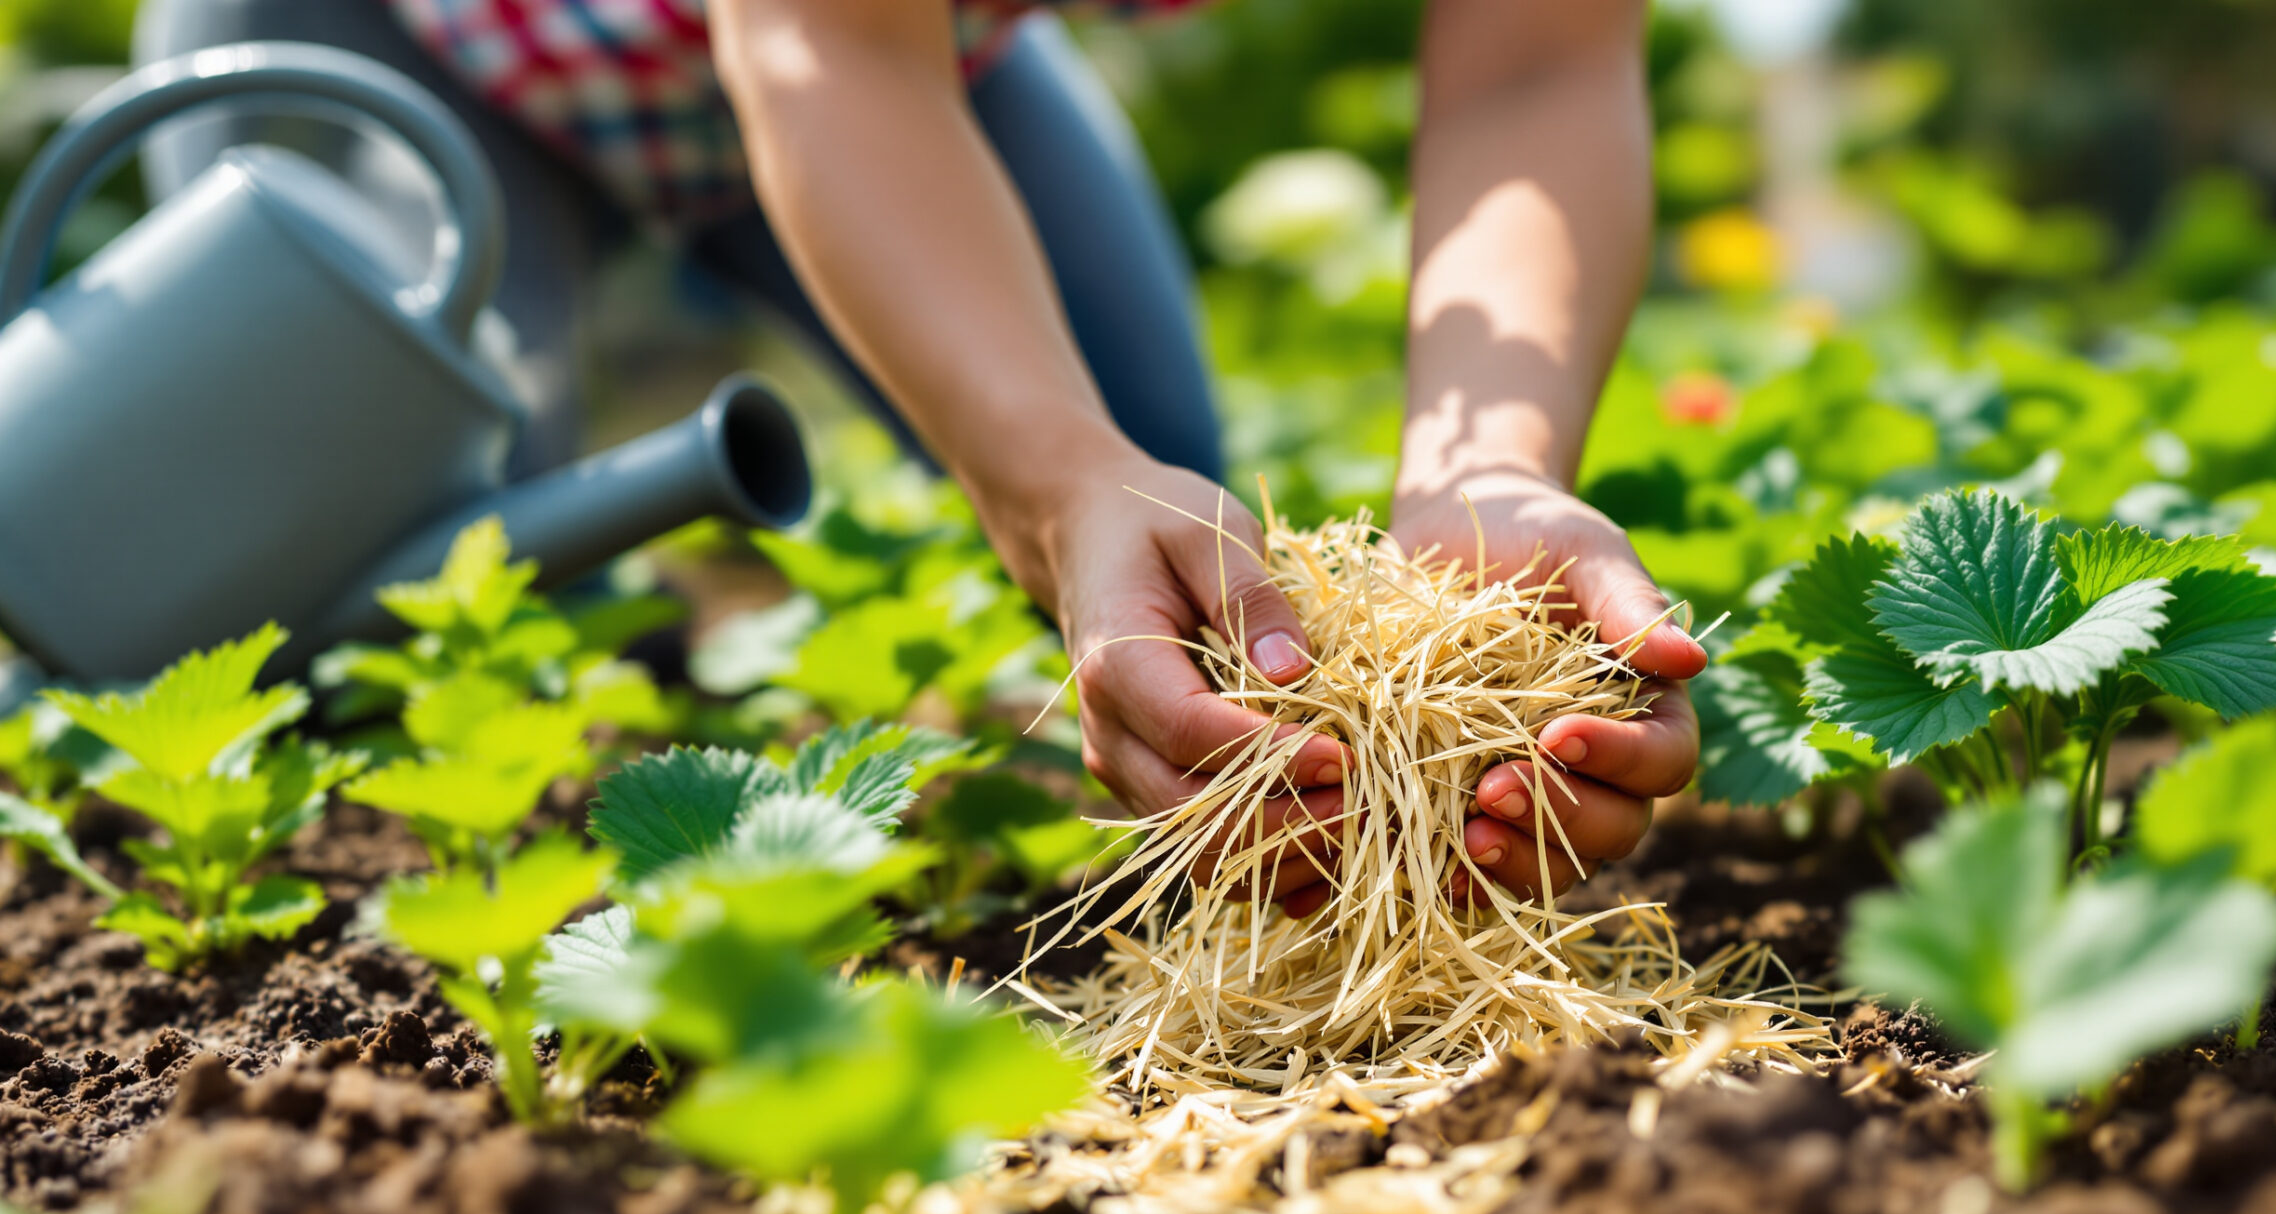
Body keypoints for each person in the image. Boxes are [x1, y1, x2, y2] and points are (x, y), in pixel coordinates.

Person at [134, 0, 1705, 913]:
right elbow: (811, 42)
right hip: (423, 30)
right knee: (336, 583)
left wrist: (1489, 462)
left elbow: (1538, 58)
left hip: (910, 42)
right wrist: (1042, 469)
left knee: (1173, 527)